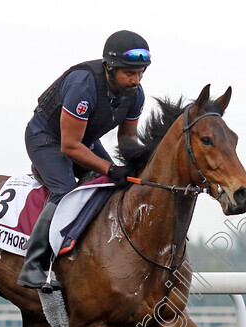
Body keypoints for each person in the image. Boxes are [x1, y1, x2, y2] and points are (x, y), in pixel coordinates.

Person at [17, 30, 151, 290]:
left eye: (141, 73)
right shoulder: (83, 85)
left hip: (84, 140)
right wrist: (110, 168)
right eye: (130, 73)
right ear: (109, 68)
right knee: (66, 191)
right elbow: (69, 145)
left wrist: (142, 165)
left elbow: (127, 139)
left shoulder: (136, 94)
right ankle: (34, 265)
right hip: (47, 138)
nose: (136, 80)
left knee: (112, 185)